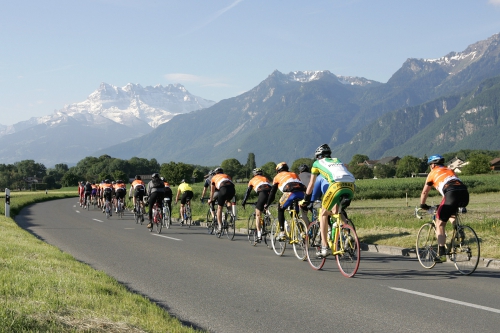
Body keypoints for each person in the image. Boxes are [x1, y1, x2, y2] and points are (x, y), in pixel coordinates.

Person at [301, 144, 355, 257]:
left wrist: (305, 199)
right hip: (351, 186)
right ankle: (347, 234)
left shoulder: (316, 164)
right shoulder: (337, 160)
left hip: (335, 186)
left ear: (318, 156)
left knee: (323, 214)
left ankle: (324, 247)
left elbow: (311, 184)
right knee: (337, 211)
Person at [420, 154, 469, 263]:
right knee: (450, 211)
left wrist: (423, 205)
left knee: (439, 224)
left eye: (429, 165)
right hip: (464, 193)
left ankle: (441, 254)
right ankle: (458, 230)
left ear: (432, 165)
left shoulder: (432, 174)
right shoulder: (450, 170)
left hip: (451, 194)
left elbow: (424, 192)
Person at [265, 162, 306, 241]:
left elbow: (272, 193)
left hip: (290, 193)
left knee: (280, 208)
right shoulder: (294, 174)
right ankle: (302, 232)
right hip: (302, 194)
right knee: (294, 213)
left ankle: (282, 232)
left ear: (278, 171)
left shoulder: (277, 177)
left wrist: (267, 204)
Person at [241, 168, 272, 242]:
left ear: (254, 174)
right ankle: (268, 214)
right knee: (265, 205)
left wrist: (244, 202)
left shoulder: (252, 180)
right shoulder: (265, 178)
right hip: (271, 193)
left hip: (262, 193)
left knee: (258, 214)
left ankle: (259, 235)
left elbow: (247, 192)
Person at [208, 167, 236, 234]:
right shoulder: (227, 175)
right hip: (232, 190)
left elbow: (212, 191)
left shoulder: (213, 178)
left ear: (215, 173)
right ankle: (231, 213)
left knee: (219, 208)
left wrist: (210, 199)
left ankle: (220, 227)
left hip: (223, 189)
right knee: (228, 201)